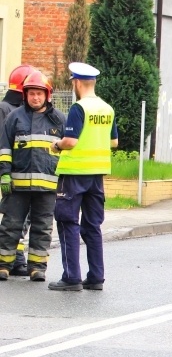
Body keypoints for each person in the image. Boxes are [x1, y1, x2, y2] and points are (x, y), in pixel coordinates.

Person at [48, 62, 118, 291]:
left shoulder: (79, 108)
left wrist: (57, 145)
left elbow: (71, 141)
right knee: (92, 226)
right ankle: (96, 277)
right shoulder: (107, 109)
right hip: (97, 176)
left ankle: (71, 277)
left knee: (68, 222)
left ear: (77, 83)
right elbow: (114, 142)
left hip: (74, 174)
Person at [0, 71, 65, 281]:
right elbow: (4, 148)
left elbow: (68, 152)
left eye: (39, 93)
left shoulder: (59, 120)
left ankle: (37, 268)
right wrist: (4, 175)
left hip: (47, 188)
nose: (35, 97)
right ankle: (3, 265)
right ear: (25, 95)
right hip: (17, 186)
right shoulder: (14, 117)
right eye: (31, 94)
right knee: (11, 226)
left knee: (42, 227)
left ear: (47, 95)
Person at [0, 64, 38, 275]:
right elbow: (3, 144)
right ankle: (14, 259)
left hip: (25, 173)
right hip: (12, 174)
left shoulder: (17, 109)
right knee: (14, 218)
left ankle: (16, 258)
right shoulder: (6, 110)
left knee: (23, 217)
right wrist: (4, 173)